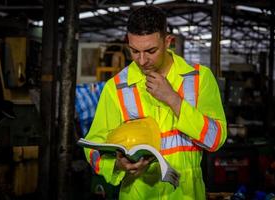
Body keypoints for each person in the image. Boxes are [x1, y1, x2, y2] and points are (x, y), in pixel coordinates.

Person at [84, 5, 227, 200]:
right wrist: (117, 165)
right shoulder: (116, 87)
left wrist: (173, 99)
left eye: (151, 50)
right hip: (137, 194)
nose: (142, 61)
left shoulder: (199, 78)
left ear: (168, 42)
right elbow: (93, 146)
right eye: (134, 51)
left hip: (186, 195)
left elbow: (215, 139)